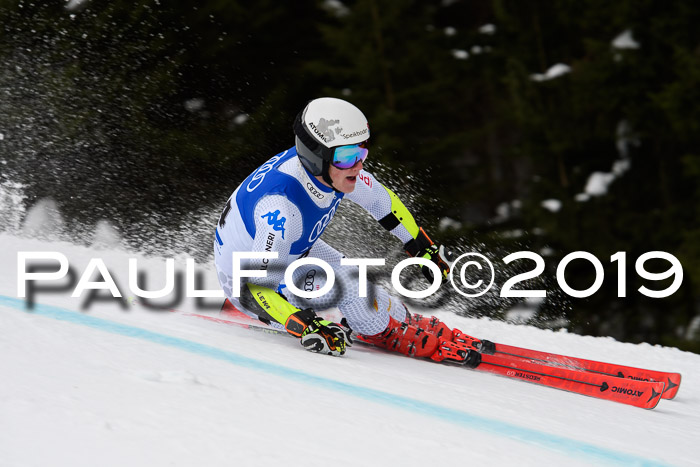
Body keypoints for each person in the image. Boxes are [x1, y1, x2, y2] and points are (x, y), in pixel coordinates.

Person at [214, 97, 483, 366]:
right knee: (348, 286)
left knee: (354, 274)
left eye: (361, 152)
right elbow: (255, 289)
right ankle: (387, 332)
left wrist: (423, 248)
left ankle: (400, 318)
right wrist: (305, 325)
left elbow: (383, 202)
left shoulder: (327, 170)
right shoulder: (281, 210)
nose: (358, 165)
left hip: (289, 254)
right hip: (248, 287)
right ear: (317, 157)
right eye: (346, 157)